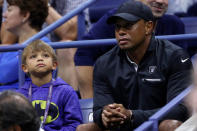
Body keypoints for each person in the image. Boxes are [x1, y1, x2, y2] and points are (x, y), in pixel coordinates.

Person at [93, 1, 192, 130]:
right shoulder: (103, 63)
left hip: (157, 126)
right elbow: (97, 110)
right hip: (124, 126)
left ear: (148, 27)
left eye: (128, 26)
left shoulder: (175, 56)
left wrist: (132, 115)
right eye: (118, 27)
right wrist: (105, 115)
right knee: (85, 128)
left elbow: (180, 109)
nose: (121, 32)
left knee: (170, 125)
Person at [74, 0, 186, 99]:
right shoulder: (116, 19)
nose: (160, 1)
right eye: (121, 27)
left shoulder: (175, 25)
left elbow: (183, 70)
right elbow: (84, 52)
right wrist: (90, 102)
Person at [18, 40, 83, 131]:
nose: (40, 59)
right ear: (25, 68)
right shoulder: (20, 96)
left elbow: (74, 124)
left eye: (45, 55)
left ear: (54, 65)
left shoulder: (66, 91)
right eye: (33, 56)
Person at [0, 0, 50, 89]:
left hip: (22, 100)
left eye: (9, 10)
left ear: (25, 15)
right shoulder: (9, 49)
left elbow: (5, 74)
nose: (4, 15)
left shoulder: (43, 44)